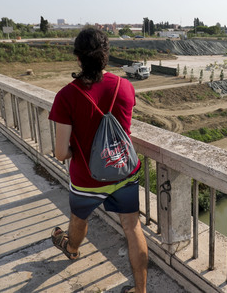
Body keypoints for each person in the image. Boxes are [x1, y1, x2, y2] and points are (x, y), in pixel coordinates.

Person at [48, 28, 148, 293]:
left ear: (78, 58)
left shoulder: (66, 96)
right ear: (106, 56)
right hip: (123, 171)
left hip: (88, 178)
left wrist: (77, 153)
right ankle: (141, 291)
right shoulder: (125, 87)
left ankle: (71, 249)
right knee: (132, 227)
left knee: (79, 218)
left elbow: (60, 153)